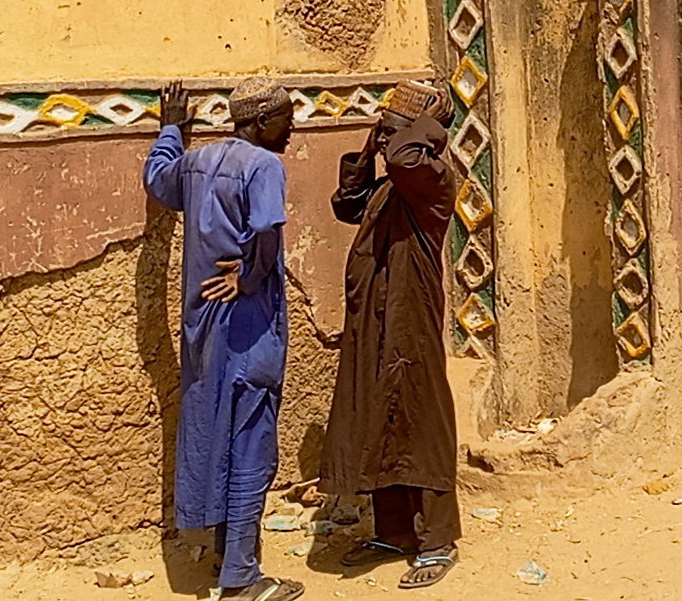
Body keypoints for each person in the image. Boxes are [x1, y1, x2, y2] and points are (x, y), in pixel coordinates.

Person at [143, 77, 303, 601]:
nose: (292, 126)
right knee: (252, 442)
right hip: (248, 325)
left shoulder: (195, 162)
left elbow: (157, 181)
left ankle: (222, 553)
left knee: (213, 436)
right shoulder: (264, 166)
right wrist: (251, 277)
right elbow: (267, 230)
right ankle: (241, 577)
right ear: (260, 122)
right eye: (284, 117)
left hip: (201, 328)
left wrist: (171, 129)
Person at [322, 80, 462, 589]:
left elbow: (405, 159)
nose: (385, 144)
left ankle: (437, 538)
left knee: (420, 417)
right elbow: (347, 200)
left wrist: (421, 122)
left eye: (392, 133)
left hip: (412, 316)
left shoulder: (432, 179)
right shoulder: (390, 187)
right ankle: (395, 532)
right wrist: (373, 137)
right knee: (380, 411)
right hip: (376, 320)